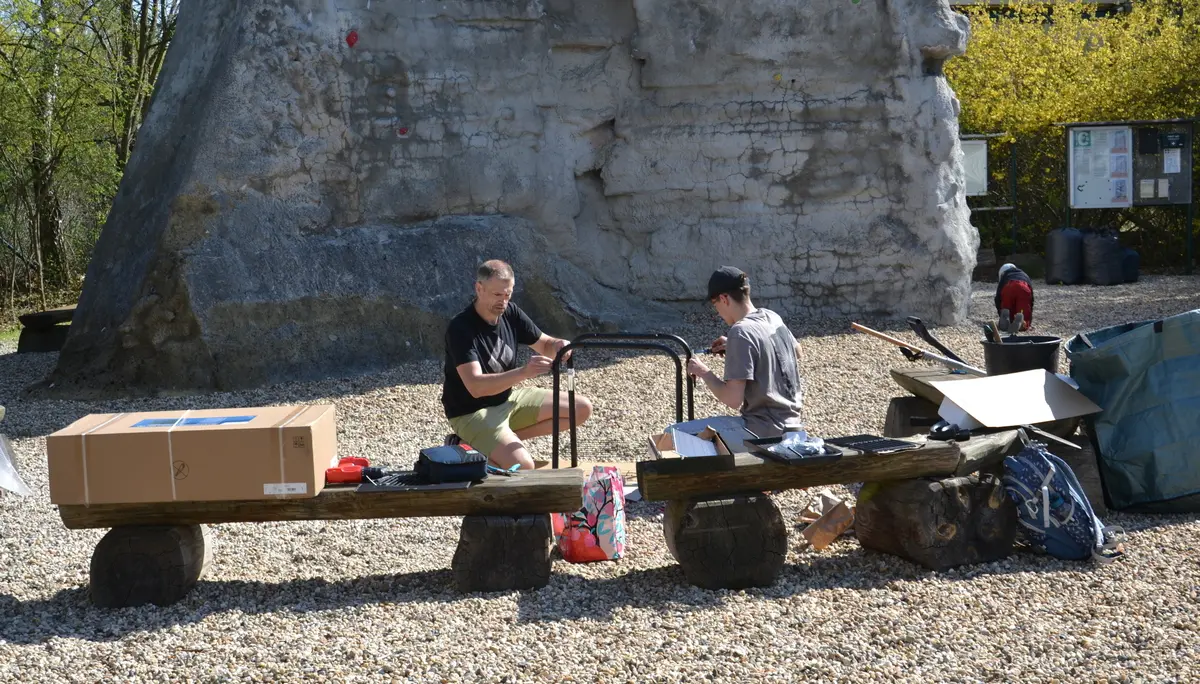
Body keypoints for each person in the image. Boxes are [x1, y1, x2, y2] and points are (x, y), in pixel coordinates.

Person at [441, 260, 592, 470]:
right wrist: (523, 372)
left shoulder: (510, 313)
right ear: (479, 288)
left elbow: (544, 344)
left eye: (507, 295)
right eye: (497, 295)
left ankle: (481, 444)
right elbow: (476, 387)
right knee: (523, 468)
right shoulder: (460, 328)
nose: (503, 302)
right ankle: (467, 448)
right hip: (471, 412)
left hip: (507, 399)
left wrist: (559, 345)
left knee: (581, 408)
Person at [676, 266, 805, 450]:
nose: (718, 312)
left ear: (724, 298)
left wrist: (704, 372)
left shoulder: (741, 331)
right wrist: (744, 350)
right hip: (794, 428)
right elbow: (797, 352)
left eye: (715, 305)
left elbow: (732, 399)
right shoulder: (772, 317)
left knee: (673, 436)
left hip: (761, 434)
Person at [996, 263, 1034, 332]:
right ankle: (1022, 323)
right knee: (1022, 313)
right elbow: (1030, 299)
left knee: (1007, 308)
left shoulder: (1004, 276)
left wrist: (1000, 312)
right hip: (1024, 288)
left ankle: (1007, 319)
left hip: (1008, 287)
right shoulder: (1024, 274)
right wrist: (1029, 319)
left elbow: (998, 298)